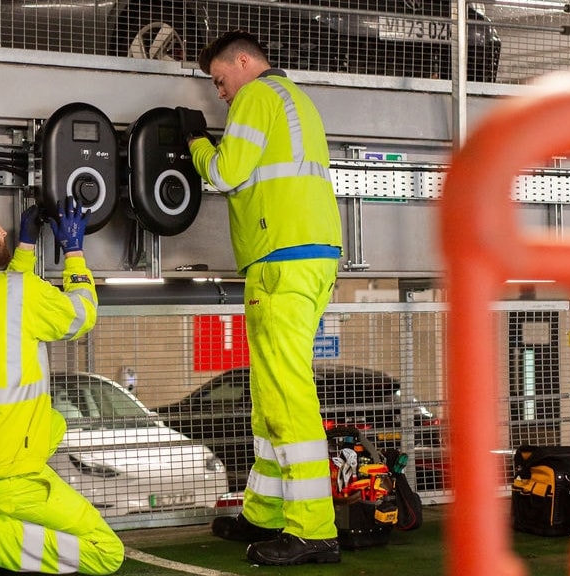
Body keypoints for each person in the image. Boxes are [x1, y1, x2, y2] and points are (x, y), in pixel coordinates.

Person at [178, 30, 344, 566]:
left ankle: (312, 529)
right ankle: (265, 511)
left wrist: (197, 142)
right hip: (307, 256)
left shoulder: (256, 97)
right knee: (270, 392)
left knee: (286, 395)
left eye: (220, 81)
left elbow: (227, 173)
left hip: (281, 259)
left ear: (244, 62)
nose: (221, 93)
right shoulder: (296, 100)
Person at [0, 191, 125, 576]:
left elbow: (6, 297)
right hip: (5, 472)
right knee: (106, 553)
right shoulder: (17, 293)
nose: (4, 231)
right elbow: (82, 315)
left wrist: (27, 245)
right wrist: (75, 251)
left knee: (54, 422)